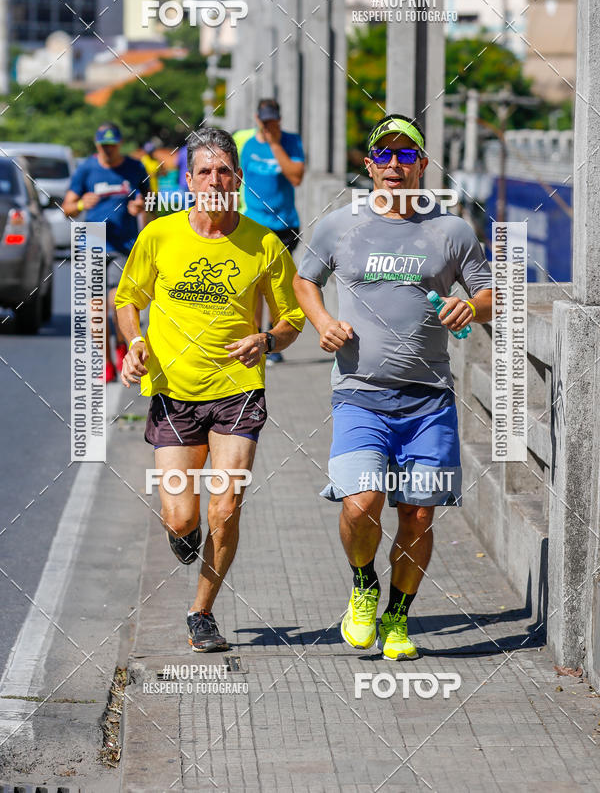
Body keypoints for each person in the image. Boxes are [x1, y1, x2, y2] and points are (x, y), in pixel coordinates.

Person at [293, 114, 493, 661]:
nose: (395, 165)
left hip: (429, 399)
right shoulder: (339, 225)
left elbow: (492, 295)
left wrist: (469, 306)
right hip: (359, 393)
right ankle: (364, 584)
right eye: (385, 154)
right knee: (361, 503)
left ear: (423, 164)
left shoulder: (452, 231)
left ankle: (398, 618)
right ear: (369, 164)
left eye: (407, 155)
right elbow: (305, 279)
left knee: (419, 514)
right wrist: (321, 323)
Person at [115, 127, 305, 653]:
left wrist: (266, 339)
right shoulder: (160, 236)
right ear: (189, 180)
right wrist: (135, 343)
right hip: (174, 393)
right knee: (181, 517)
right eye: (205, 171)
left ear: (238, 179)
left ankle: (201, 612)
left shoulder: (265, 244)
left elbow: (293, 318)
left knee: (226, 505)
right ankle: (185, 533)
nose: (215, 180)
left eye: (224, 171)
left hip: (238, 392)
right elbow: (127, 299)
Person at [63, 123, 149, 382]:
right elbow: (67, 208)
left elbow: (151, 203)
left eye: (112, 145)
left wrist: (140, 207)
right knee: (96, 310)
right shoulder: (86, 169)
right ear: (97, 144)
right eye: (104, 146)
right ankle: (107, 362)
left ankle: (122, 346)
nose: (108, 150)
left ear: (120, 143)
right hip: (93, 240)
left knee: (116, 303)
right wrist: (81, 203)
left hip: (124, 245)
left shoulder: (135, 168)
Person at [240, 98, 305, 364]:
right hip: (255, 223)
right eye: (264, 121)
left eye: (272, 121)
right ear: (257, 119)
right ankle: (254, 337)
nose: (268, 125)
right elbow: (238, 180)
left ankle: (273, 340)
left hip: (285, 225)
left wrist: (275, 145)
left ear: (279, 119)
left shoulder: (291, 142)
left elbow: (296, 176)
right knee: (254, 283)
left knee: (277, 286)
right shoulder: (248, 146)